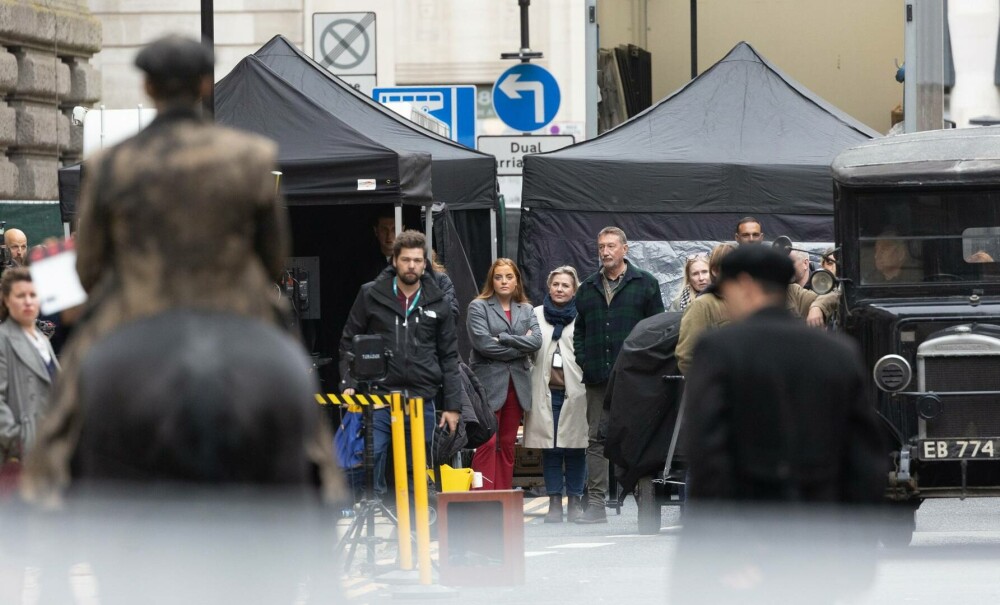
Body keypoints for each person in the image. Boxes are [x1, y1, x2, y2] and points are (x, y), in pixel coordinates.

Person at [22, 35, 339, 504]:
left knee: (65, 407)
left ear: (148, 86)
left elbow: (89, 266)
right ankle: (326, 483)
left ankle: (45, 499)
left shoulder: (112, 162)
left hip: (137, 306)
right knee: (296, 380)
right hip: (236, 305)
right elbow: (273, 257)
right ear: (206, 84)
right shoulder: (251, 156)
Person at [675, 245, 885, 603]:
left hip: (749, 534)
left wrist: (712, 548)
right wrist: (860, 550)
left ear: (745, 285)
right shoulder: (837, 352)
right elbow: (865, 457)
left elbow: (708, 453)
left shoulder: (721, 350)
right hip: (824, 536)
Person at [339, 230, 462, 497]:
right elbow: (349, 341)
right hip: (380, 394)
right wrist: (348, 381)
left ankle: (411, 526)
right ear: (394, 260)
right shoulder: (371, 294)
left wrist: (452, 406)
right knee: (374, 457)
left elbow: (450, 356)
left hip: (421, 396)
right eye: (406, 259)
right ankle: (379, 514)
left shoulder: (437, 300)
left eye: (418, 260)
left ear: (425, 263)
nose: (412, 266)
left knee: (415, 465)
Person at [573, 227, 664, 523]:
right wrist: (585, 361)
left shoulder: (646, 284)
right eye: (601, 246)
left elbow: (658, 330)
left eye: (611, 246)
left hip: (634, 377)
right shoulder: (587, 287)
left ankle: (643, 501)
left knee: (637, 437)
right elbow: (580, 332)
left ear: (625, 249)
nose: (605, 252)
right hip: (598, 375)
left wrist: (647, 368)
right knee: (596, 439)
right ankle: (597, 505)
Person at [467, 258, 541, 490]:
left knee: (508, 443)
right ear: (492, 280)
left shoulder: (527, 309)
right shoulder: (478, 306)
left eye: (509, 276)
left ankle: (503, 494)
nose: (504, 281)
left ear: (517, 280)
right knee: (487, 442)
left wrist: (505, 338)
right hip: (488, 384)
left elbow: (537, 341)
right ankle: (483, 497)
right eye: (498, 277)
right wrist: (521, 346)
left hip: (516, 385)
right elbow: (483, 345)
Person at [524, 266, 587, 522]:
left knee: (576, 447)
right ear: (549, 287)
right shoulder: (535, 315)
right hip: (545, 392)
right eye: (556, 284)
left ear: (574, 290)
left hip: (577, 392)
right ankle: (553, 504)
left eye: (566, 285)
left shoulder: (583, 315)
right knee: (549, 449)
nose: (560, 289)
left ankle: (574, 502)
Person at [0, 269, 59, 476]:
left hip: (49, 443)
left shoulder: (41, 338)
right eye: (20, 295)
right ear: (7, 300)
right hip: (21, 453)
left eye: (33, 295)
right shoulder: (3, 339)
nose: (28, 301)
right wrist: (17, 440)